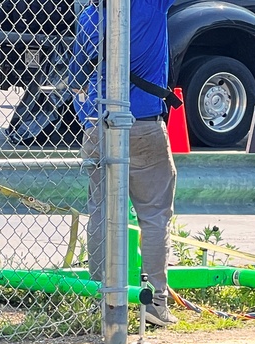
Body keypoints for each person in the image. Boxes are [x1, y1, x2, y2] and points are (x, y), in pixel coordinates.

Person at [70, 0, 179, 326]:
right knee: (154, 214)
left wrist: (86, 116)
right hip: (143, 123)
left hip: (99, 123)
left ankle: (103, 299)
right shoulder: (151, 4)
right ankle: (157, 303)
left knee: (101, 211)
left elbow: (78, 73)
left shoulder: (91, 13)